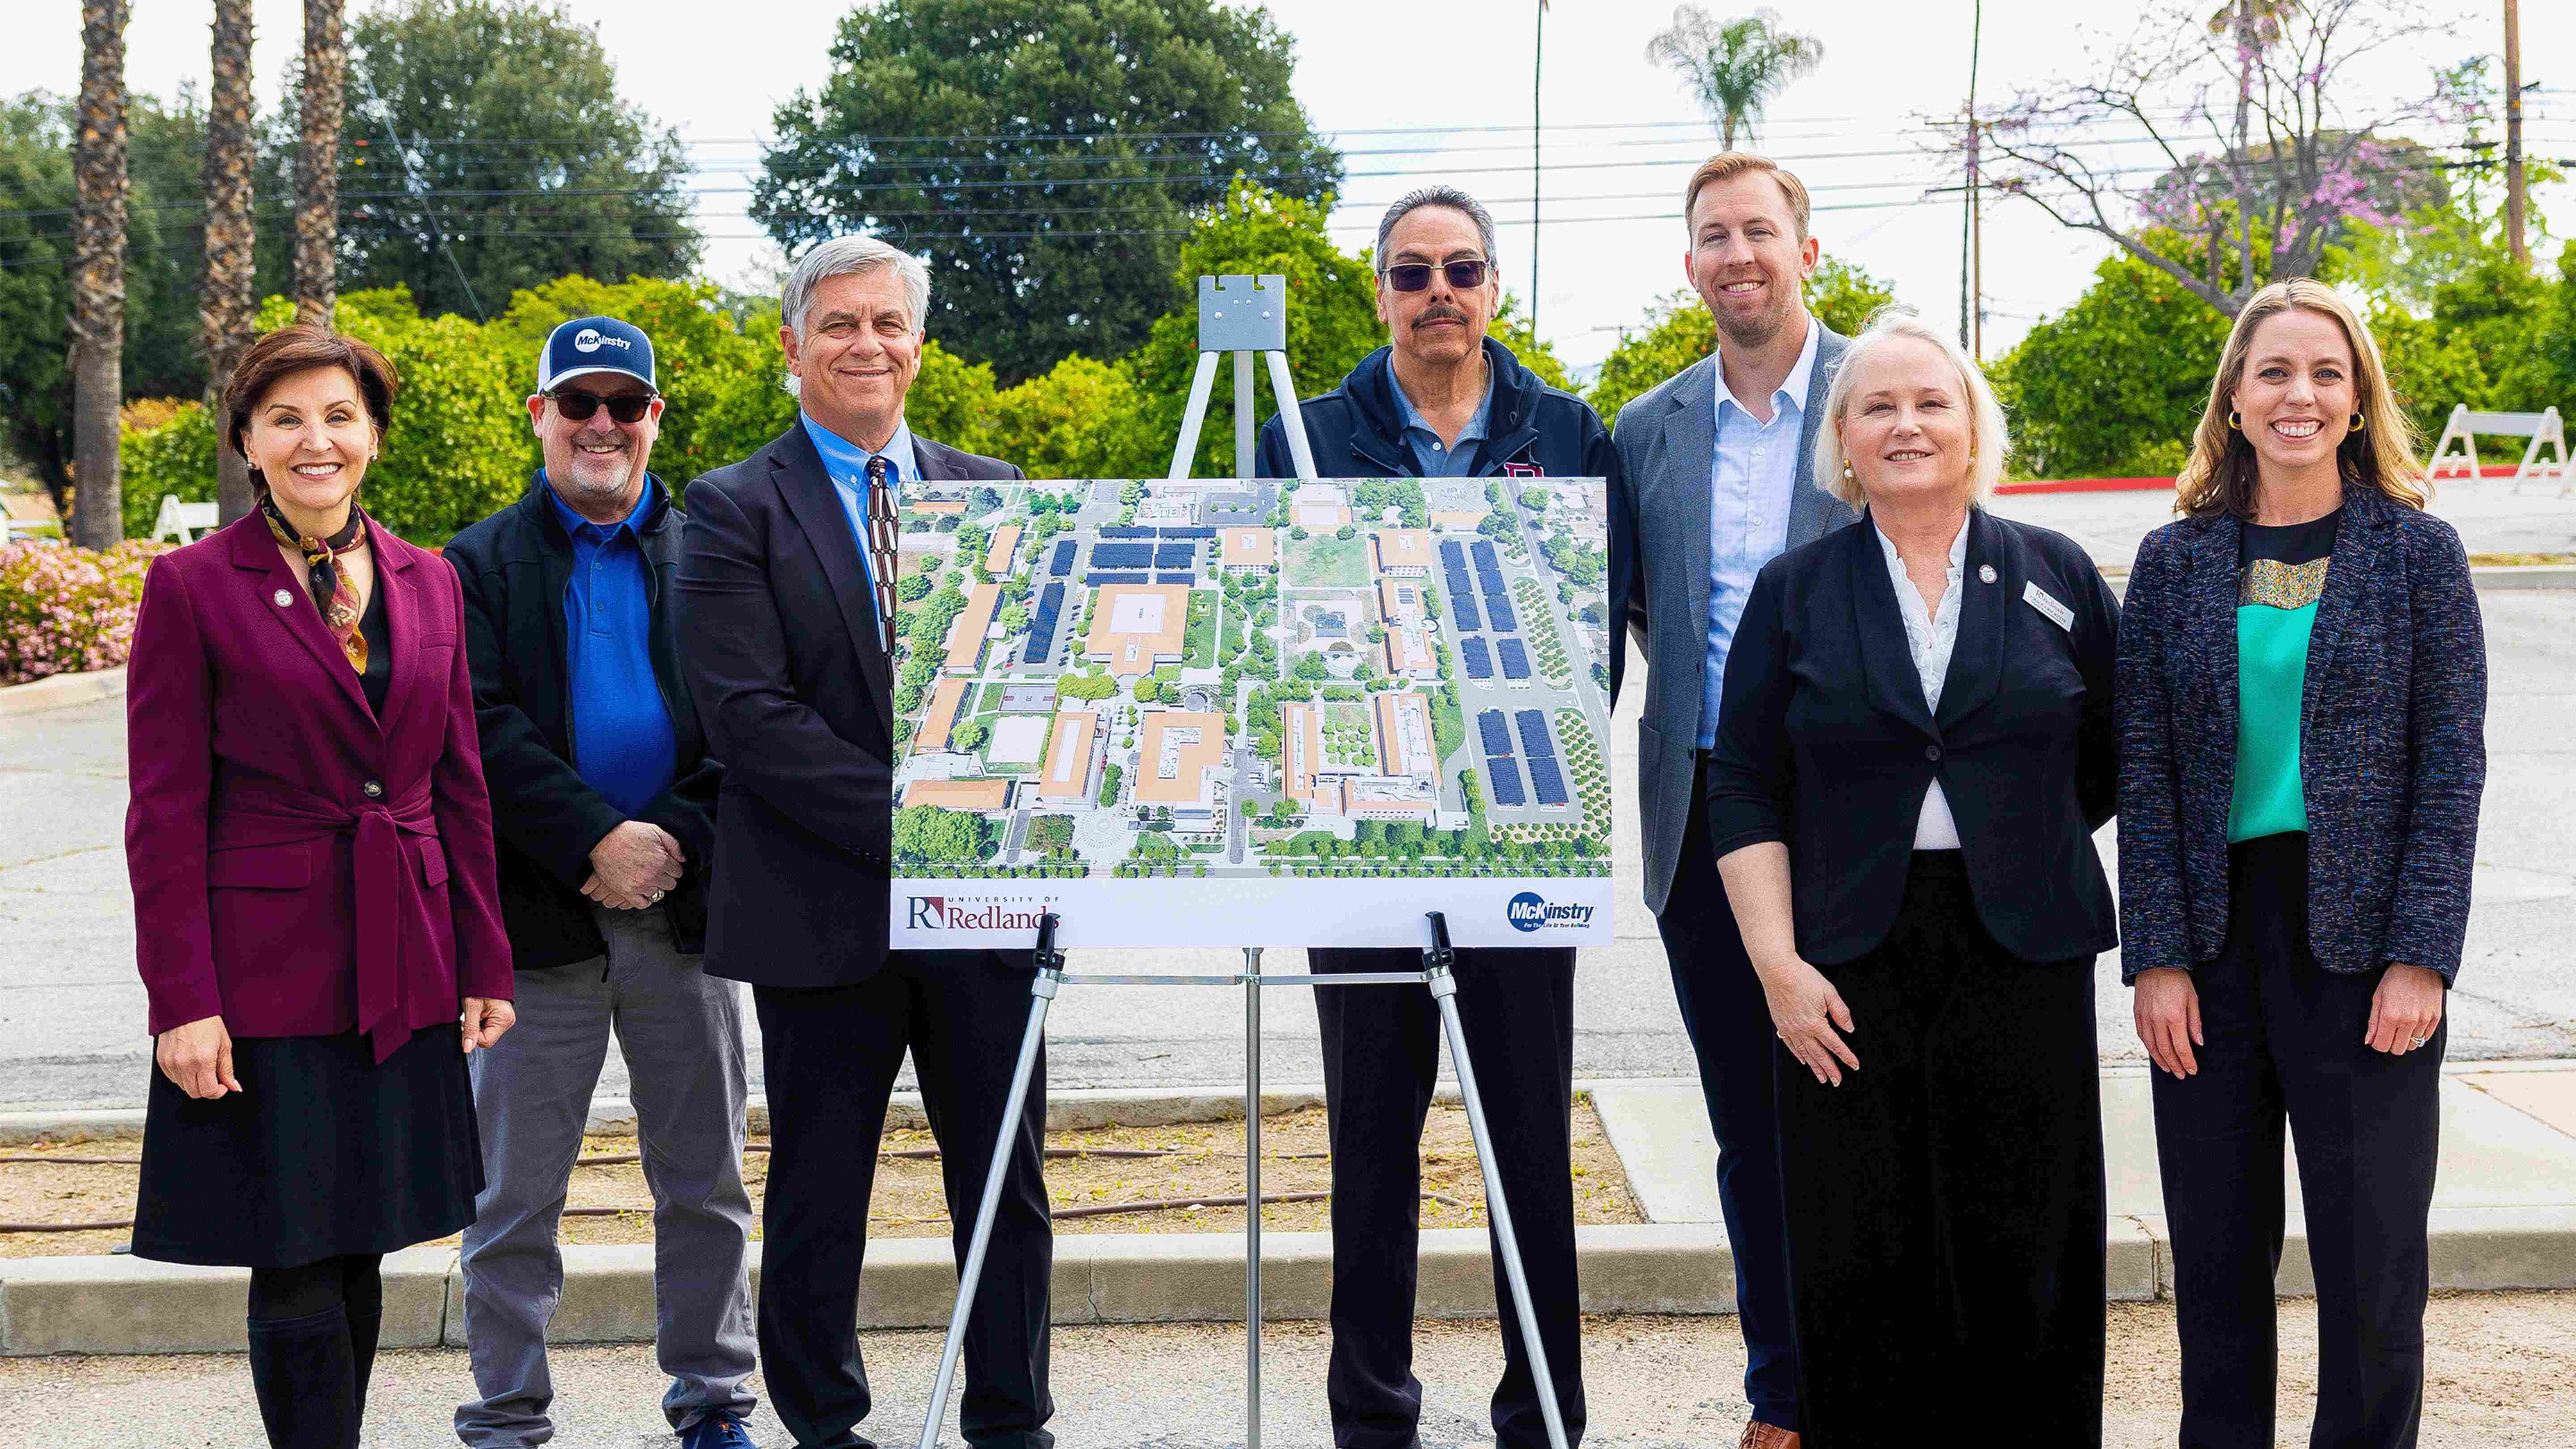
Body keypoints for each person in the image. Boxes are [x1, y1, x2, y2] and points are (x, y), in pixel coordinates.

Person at [1701, 309, 2119, 1447]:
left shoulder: (2058, 573)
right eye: (1878, 405)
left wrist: (2010, 832)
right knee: (1859, 1245)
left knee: (2025, 1241)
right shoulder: (1796, 589)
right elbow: (1742, 783)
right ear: (1843, 437)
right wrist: (1779, 967)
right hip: (1845, 954)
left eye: (1932, 402)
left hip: (2022, 945)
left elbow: (2108, 757)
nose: (1907, 424)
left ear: (1973, 426)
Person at [672, 235, 1047, 1449]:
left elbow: (1039, 696)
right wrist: (929, 820)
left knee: (1005, 1186)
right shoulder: (732, 507)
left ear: (920, 347)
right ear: (792, 348)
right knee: (823, 1189)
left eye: (887, 323)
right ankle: (826, 1424)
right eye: (838, 325)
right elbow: (751, 720)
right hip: (821, 906)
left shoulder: (996, 492)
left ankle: (1011, 1417)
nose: (865, 346)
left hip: (986, 913)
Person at [1254, 184, 1614, 1449]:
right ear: (1381, 295)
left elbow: (1594, 646)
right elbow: (1265, 640)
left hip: (1518, 844)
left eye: (1462, 269)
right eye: (1412, 274)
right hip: (1359, 845)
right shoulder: (1302, 438)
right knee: (1370, 1145)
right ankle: (1373, 1415)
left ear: (1496, 287)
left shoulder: (1571, 433)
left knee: (1529, 1142)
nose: (1439, 293)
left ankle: (1545, 1417)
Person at [123, 324, 516, 1449]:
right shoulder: (193, 586)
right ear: (248, 440)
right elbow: (163, 813)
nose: (316, 440)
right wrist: (182, 1001)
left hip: (408, 959)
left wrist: (484, 959)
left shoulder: (428, 580)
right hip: (265, 977)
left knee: (362, 1237)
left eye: (339, 416)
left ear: (374, 438)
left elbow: (460, 786)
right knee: (291, 1245)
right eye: (287, 418)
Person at [2118, 279, 2486, 1449]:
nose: (2300, 395)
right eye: (2274, 371)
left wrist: (2422, 956)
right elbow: (2146, 774)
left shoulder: (2420, 555)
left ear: (2358, 397)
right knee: (2219, 1270)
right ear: (2234, 398)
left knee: (2374, 1271)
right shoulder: (2172, 565)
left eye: (2327, 373)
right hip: (2216, 950)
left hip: (2366, 951)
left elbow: (2450, 767)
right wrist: (2158, 961)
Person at [445, 316, 755, 1449]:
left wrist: (666, 838)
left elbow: (749, 713)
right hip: (535, 925)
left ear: (655, 418)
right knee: (512, 1195)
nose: (603, 426)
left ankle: (715, 1401)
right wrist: (592, 841)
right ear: (540, 416)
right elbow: (472, 726)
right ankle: (508, 1414)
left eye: (627, 404)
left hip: (689, 917)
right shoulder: (471, 566)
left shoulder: (721, 544)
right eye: (579, 403)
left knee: (706, 1183)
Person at [1602, 151, 1855, 1449]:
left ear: (1808, 250)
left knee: (1866, 1108)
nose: (1739, 254)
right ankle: (1786, 1397)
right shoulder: (1646, 429)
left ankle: (1885, 1380)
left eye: (1761, 231)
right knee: (1752, 1126)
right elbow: (1630, 612)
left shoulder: (1883, 396)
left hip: (1866, 819)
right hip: (1704, 813)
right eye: (1715, 236)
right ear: (1690, 263)